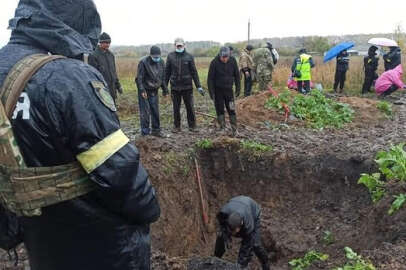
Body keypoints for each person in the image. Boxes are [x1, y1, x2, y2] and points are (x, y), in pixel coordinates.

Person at [0, 1, 160, 270]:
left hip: (41, 244)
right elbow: (119, 172)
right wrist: (150, 209)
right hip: (105, 248)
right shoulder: (69, 78)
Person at [214, 196, 270, 270]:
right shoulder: (223, 214)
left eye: (234, 231)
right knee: (221, 236)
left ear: (240, 225)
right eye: (231, 230)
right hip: (236, 203)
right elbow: (222, 228)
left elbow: (246, 248)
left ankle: (266, 264)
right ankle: (215, 259)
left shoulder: (248, 225)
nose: (233, 234)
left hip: (253, 213)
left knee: (256, 245)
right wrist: (225, 238)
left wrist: (239, 266)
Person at [165, 38, 205, 133]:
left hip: (187, 87)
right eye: (177, 46)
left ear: (184, 45)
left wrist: (198, 86)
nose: (179, 47)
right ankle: (177, 126)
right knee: (176, 108)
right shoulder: (170, 56)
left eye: (181, 46)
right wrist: (165, 87)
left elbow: (194, 72)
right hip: (175, 87)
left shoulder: (189, 57)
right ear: (175, 45)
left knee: (190, 107)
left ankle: (192, 126)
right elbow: (167, 72)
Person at [136, 46, 168, 137]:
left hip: (154, 90)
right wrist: (142, 90)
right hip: (145, 91)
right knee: (145, 112)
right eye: (155, 57)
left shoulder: (161, 62)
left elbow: (163, 77)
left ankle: (156, 130)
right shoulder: (143, 62)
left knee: (155, 110)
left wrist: (165, 90)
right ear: (150, 55)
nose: (157, 58)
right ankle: (145, 132)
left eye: (158, 57)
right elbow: (139, 78)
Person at [208, 47, 241, 136]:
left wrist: (238, 88)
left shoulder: (233, 61)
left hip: (229, 91)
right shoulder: (214, 63)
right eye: (223, 57)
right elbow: (210, 79)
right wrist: (211, 92)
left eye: (226, 57)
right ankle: (222, 127)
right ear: (220, 55)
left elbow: (237, 76)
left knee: (231, 109)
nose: (225, 59)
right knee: (219, 109)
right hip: (218, 91)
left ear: (229, 55)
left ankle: (234, 129)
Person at [89, 32, 123, 104]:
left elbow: (113, 72)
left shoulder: (111, 55)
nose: (108, 44)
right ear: (100, 43)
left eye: (109, 43)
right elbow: (92, 75)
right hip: (102, 90)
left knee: (113, 108)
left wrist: (118, 85)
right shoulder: (93, 56)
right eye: (106, 42)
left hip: (112, 89)